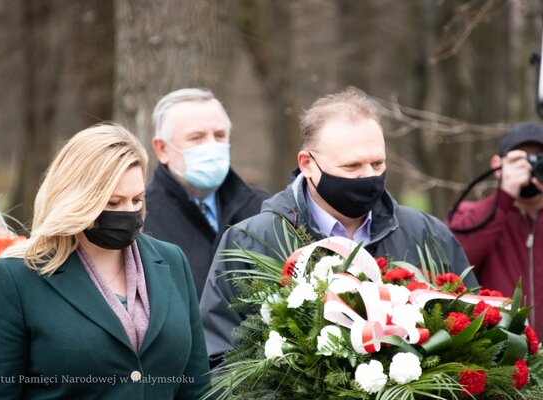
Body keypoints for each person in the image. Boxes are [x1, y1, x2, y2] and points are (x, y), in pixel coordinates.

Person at [200, 87, 478, 366]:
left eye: (377, 163)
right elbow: (219, 358)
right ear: (307, 164)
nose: (368, 176)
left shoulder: (428, 235)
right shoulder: (250, 243)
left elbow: (476, 337)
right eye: (352, 166)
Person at [0, 123, 210, 399]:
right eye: (113, 202)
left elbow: (197, 388)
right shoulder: (16, 279)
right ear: (77, 199)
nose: (129, 212)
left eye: (137, 200)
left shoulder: (172, 261)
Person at [145, 88, 269, 299]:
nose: (212, 146)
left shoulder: (263, 209)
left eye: (219, 135)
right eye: (196, 137)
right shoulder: (142, 219)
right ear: (162, 149)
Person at [447, 121, 543, 337]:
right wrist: (503, 200)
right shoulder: (471, 215)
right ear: (497, 165)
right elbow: (452, 263)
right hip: (499, 348)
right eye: (520, 161)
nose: (529, 169)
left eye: (539, 160)